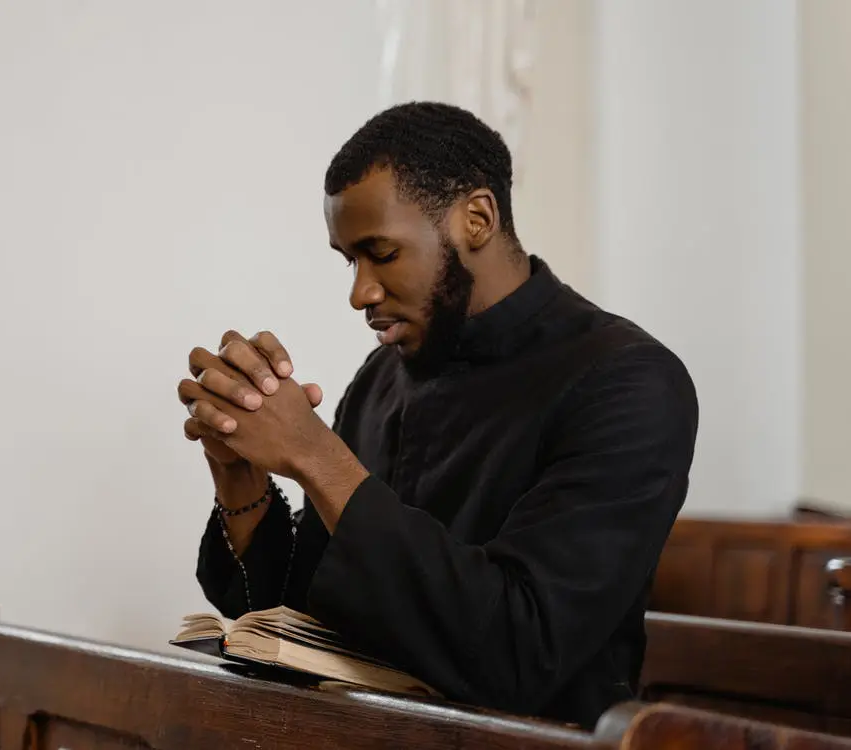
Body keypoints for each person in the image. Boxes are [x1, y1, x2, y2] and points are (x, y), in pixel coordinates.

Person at [176, 102, 698, 728]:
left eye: (382, 253)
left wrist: (317, 456)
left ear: (476, 218)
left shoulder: (627, 381)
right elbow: (299, 613)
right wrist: (239, 474)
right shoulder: (381, 380)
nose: (359, 292)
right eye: (350, 260)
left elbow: (519, 653)